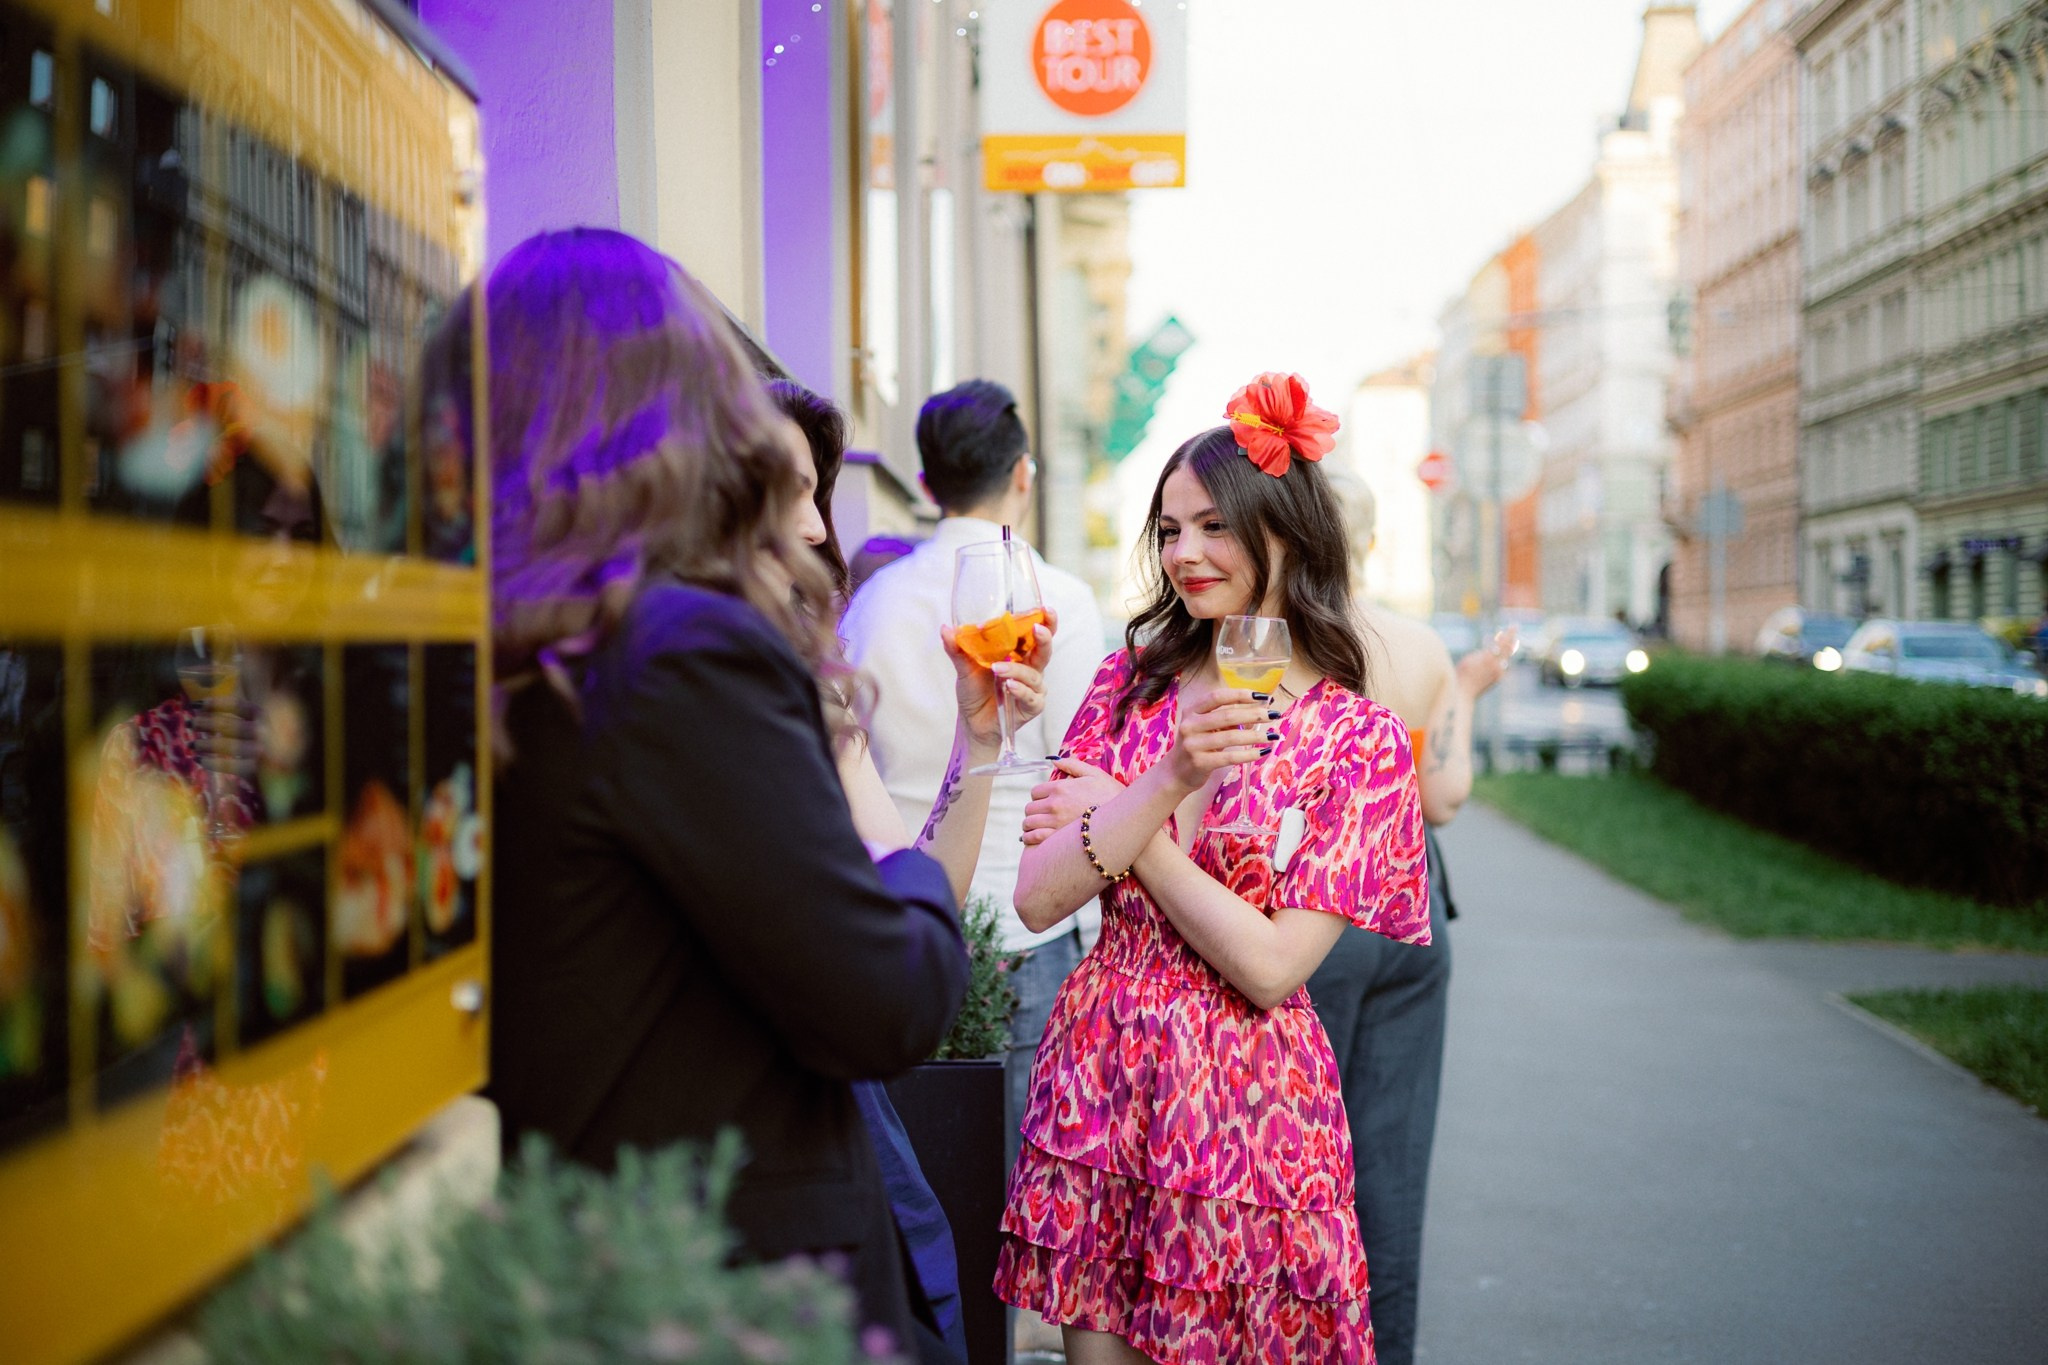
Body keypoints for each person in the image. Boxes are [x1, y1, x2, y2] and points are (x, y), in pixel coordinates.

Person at [480, 230, 969, 1356]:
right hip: (728, 1288)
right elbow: (887, 998)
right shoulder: (680, 647)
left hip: (575, 1258)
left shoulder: (484, 643)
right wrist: (906, 873)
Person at [999, 373, 1432, 1363]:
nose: (1182, 553)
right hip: (1100, 1069)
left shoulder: (1353, 740)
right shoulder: (1125, 682)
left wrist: (1133, 825)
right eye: (1165, 530)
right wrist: (1160, 780)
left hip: (1247, 1103)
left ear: (1284, 534)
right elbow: (1035, 898)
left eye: (1210, 528)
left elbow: (1273, 968)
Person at [769, 375, 1053, 1362]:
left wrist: (980, 751)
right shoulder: (708, 700)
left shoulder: (828, 657)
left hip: (854, 1087)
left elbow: (909, 878)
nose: (813, 527)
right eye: (787, 490)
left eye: (819, 493)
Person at [840, 378, 1107, 1170]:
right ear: (1023, 474)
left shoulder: (873, 602)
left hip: (908, 909)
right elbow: (1082, 766)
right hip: (1029, 921)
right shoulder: (1060, 600)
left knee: (923, 1169)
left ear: (924, 484)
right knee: (1024, 1175)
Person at [1304, 471, 1513, 1365]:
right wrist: (1462, 691)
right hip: (1412, 918)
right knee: (1389, 1172)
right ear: (1373, 543)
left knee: (1296, 1169)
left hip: (1311, 916)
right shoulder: (1417, 643)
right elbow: (1445, 797)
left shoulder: (1286, 642)